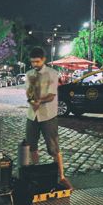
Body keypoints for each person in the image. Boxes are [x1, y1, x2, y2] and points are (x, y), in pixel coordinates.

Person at [25, 47, 72, 190]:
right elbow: (29, 92)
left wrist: (38, 100)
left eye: (37, 62)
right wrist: (31, 100)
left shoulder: (52, 73)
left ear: (43, 60)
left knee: (53, 148)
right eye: (32, 62)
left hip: (48, 116)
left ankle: (62, 177)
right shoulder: (29, 74)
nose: (35, 65)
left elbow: (51, 95)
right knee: (31, 146)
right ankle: (36, 173)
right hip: (32, 115)